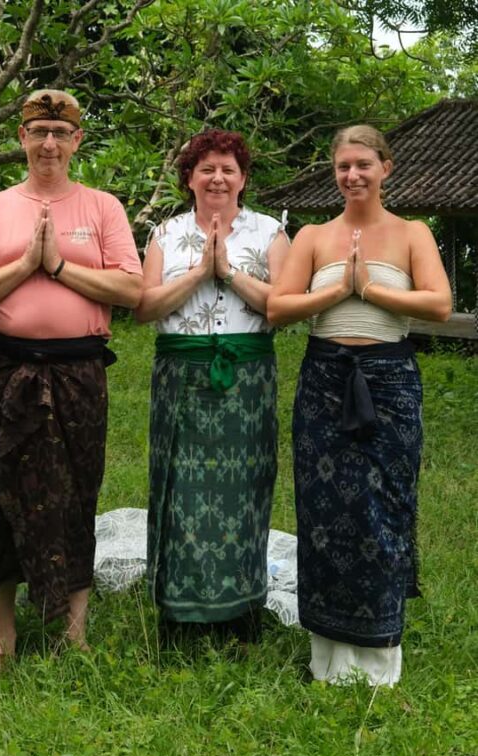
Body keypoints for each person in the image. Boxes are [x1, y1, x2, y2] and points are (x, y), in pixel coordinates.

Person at [0, 89, 142, 673]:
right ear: (21, 138)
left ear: (77, 141)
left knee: (76, 491)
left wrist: (61, 265)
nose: (49, 143)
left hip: (77, 371)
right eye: (38, 131)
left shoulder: (102, 208)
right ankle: (3, 636)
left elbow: (131, 289)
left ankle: (74, 630)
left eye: (61, 134)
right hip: (6, 369)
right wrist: (25, 266)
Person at [267, 124, 451, 686]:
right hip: (325, 379)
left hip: (390, 379)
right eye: (344, 166)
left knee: (385, 508)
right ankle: (328, 656)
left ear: (385, 168)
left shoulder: (412, 232)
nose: (353, 175)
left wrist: (370, 290)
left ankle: (377, 659)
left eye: (363, 165)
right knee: (324, 512)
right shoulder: (314, 236)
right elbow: (279, 308)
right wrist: (338, 289)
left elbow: (439, 304)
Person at [135, 130, 289, 644]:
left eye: (228, 169)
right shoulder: (164, 231)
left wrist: (229, 273)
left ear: (243, 179)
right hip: (179, 374)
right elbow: (145, 307)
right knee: (179, 487)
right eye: (207, 169)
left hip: (248, 379)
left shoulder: (270, 232)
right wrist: (201, 270)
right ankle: (179, 614)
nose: (217, 177)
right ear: (189, 179)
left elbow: (284, 307)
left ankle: (240, 611)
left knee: (245, 486)